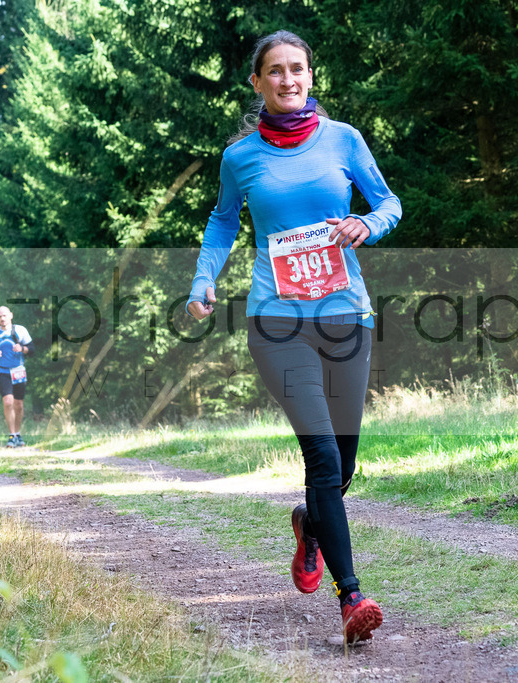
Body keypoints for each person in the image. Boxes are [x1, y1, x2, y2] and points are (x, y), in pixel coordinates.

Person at [187, 30, 401, 643]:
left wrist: (366, 223)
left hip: (345, 314)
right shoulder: (241, 157)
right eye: (275, 71)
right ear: (258, 83)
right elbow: (223, 221)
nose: (287, 79)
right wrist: (204, 282)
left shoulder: (344, 141)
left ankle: (311, 524)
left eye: (297, 69)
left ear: (311, 76)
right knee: (323, 455)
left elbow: (389, 204)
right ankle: (351, 598)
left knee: (344, 464)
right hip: (276, 321)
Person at [0, 306, 34, 447]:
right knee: (8, 402)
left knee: (18, 404)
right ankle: (12, 435)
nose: (2, 318)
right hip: (2, 371)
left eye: (5, 315)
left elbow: (32, 349)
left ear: (11, 316)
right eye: (0, 316)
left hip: (18, 370)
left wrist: (22, 349)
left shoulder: (20, 330)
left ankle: (18, 434)